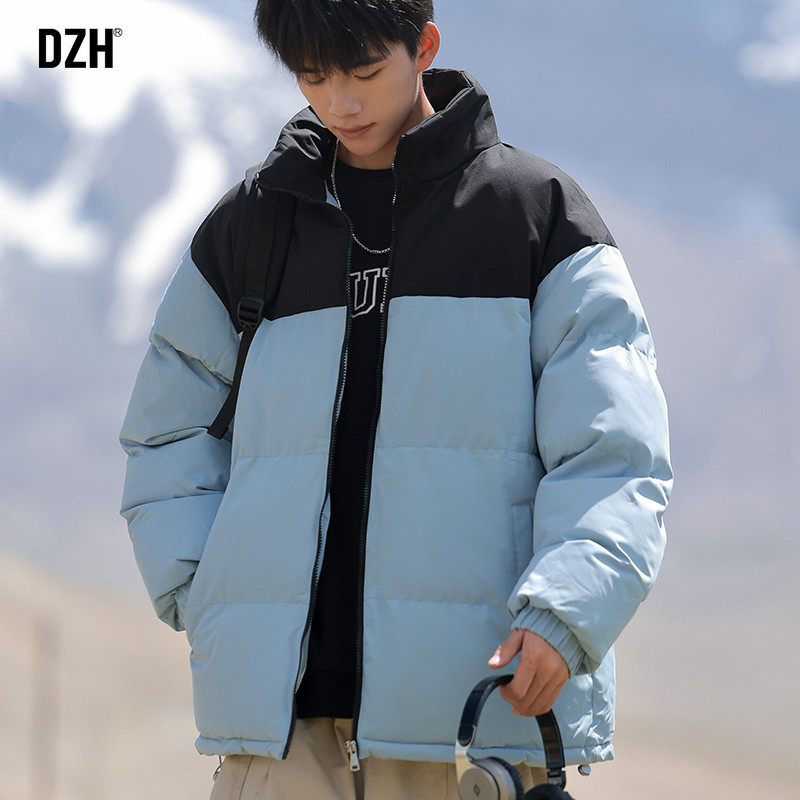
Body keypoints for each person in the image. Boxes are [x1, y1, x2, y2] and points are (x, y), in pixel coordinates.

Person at [119, 1, 672, 798]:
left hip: (468, 728)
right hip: (281, 741)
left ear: (424, 47)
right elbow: (165, 433)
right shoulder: (249, 229)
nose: (341, 102)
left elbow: (615, 454)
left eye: (365, 72)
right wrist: (204, 593)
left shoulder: (537, 218)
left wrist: (564, 613)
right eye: (314, 77)